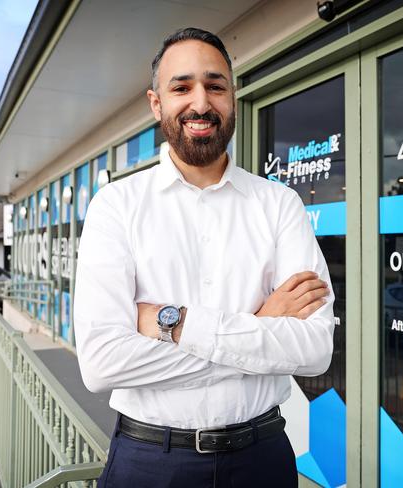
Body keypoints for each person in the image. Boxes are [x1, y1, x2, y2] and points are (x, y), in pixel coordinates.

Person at [74, 27, 335, 488]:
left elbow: (314, 350)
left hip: (263, 459)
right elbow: (102, 363)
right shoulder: (116, 205)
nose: (200, 103)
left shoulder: (279, 204)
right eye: (182, 87)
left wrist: (174, 324)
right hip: (151, 460)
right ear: (157, 103)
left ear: (232, 97)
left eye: (215, 86)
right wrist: (258, 322)